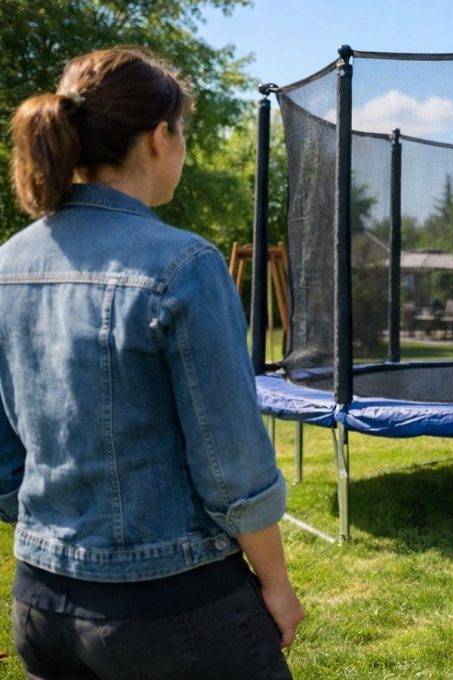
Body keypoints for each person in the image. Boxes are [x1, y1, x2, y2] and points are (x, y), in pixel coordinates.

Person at [0, 48, 304, 678]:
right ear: (160, 136)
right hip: (173, 606)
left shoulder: (7, 266)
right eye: (184, 134)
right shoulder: (182, 266)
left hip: (40, 599)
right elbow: (232, 467)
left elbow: (6, 460)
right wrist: (274, 582)